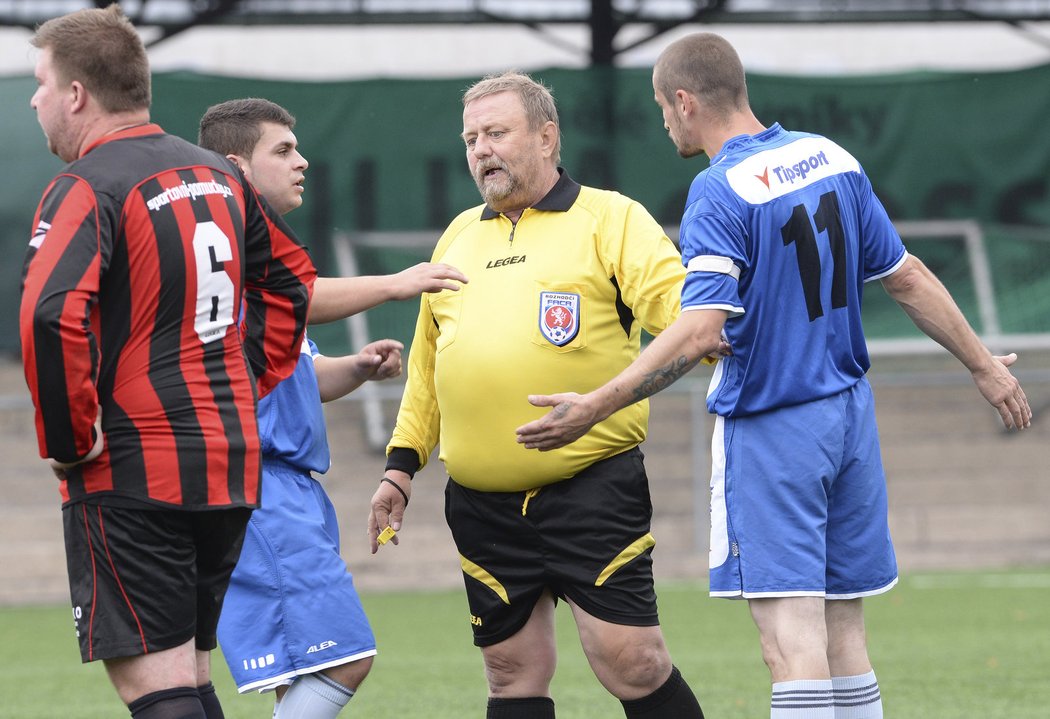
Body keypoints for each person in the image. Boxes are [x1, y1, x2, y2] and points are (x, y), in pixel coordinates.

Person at [513, 32, 1033, 719]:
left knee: (790, 641)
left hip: (774, 425)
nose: (666, 123)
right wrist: (982, 365)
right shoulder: (832, 159)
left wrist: (595, 405)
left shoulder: (718, 191)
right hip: (848, 418)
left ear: (684, 100)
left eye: (663, 109)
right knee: (842, 631)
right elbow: (905, 277)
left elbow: (700, 329)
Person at [368, 71, 706, 719]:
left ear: (547, 136)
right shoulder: (460, 234)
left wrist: (604, 401)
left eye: (496, 132)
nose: (480, 150)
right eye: (471, 138)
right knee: (510, 671)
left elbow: (688, 327)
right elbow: (429, 364)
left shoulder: (613, 218)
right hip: (480, 503)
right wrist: (400, 467)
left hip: (591, 486)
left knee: (632, 659)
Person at [19, 6, 316, 719]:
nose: (34, 100)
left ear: (78, 94)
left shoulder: (86, 186)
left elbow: (49, 313)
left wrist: (69, 438)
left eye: (41, 83)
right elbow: (290, 280)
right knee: (184, 669)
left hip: (134, 471)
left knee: (154, 683)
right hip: (226, 462)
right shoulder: (216, 172)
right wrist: (244, 378)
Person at [198, 97, 467, 717]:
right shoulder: (221, 249)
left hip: (287, 488)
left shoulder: (260, 251)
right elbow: (304, 298)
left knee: (305, 673)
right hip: (259, 489)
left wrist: (357, 368)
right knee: (344, 659)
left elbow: (304, 373)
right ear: (236, 166)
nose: (303, 162)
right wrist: (400, 281)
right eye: (283, 151)